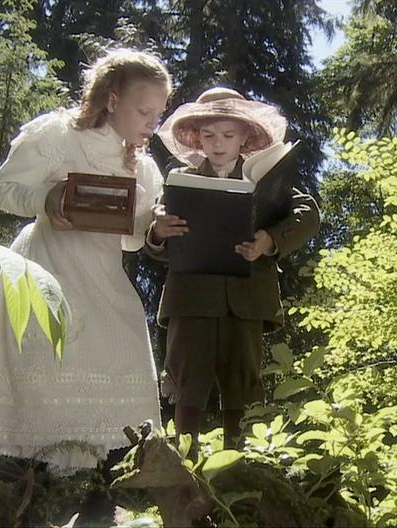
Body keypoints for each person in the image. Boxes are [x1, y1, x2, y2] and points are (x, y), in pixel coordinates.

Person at [0, 49, 171, 474]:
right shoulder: (57, 135)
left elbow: (133, 241)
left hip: (101, 272)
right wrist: (46, 198)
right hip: (44, 265)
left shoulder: (144, 169)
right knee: (43, 353)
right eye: (144, 111)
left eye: (159, 113)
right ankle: (15, 467)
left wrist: (155, 229)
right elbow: (1, 189)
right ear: (112, 100)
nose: (153, 122)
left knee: (119, 340)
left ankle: (87, 469)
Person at [147, 87, 320, 450]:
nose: (218, 143)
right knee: (187, 383)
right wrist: (159, 232)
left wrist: (268, 240)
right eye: (209, 135)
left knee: (242, 383)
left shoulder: (265, 179)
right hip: (191, 300)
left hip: (247, 299)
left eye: (228, 135)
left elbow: (309, 214)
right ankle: (185, 465)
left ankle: (239, 464)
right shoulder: (179, 181)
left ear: (246, 137)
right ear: (196, 137)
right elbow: (162, 246)